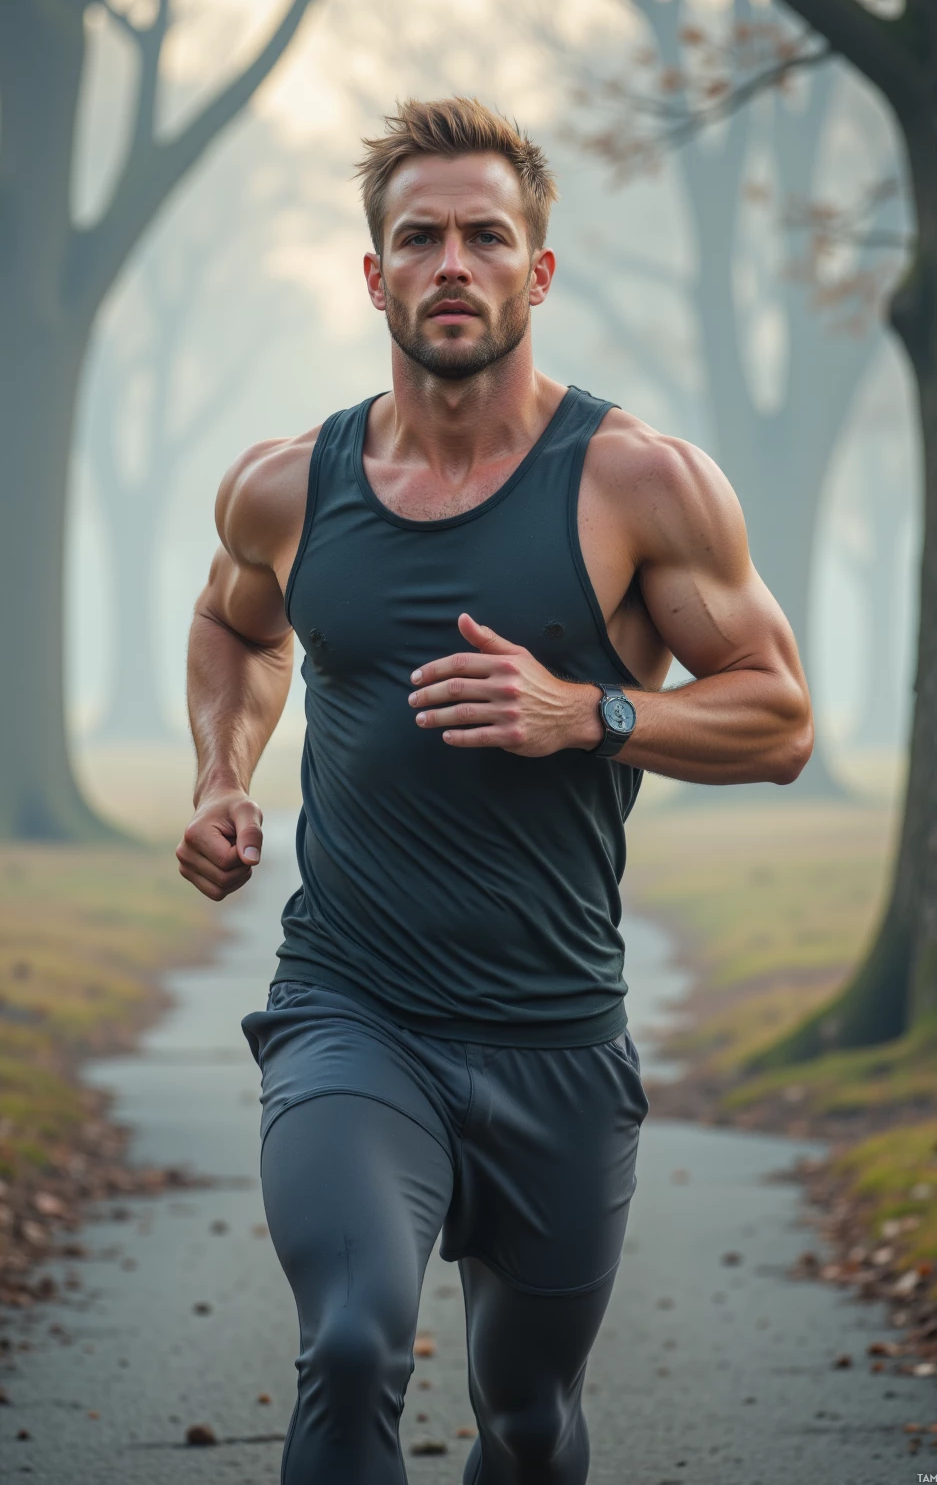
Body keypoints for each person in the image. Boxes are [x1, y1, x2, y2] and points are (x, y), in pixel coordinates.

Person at [177, 95, 813, 1484]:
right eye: (420, 238)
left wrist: (589, 712)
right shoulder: (288, 488)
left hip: (555, 1031)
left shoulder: (640, 483)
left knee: (526, 1419)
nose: (452, 263)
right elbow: (235, 627)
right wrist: (221, 775)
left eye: (485, 235)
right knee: (352, 1347)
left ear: (540, 269)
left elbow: (780, 718)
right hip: (353, 1010)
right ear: (375, 276)